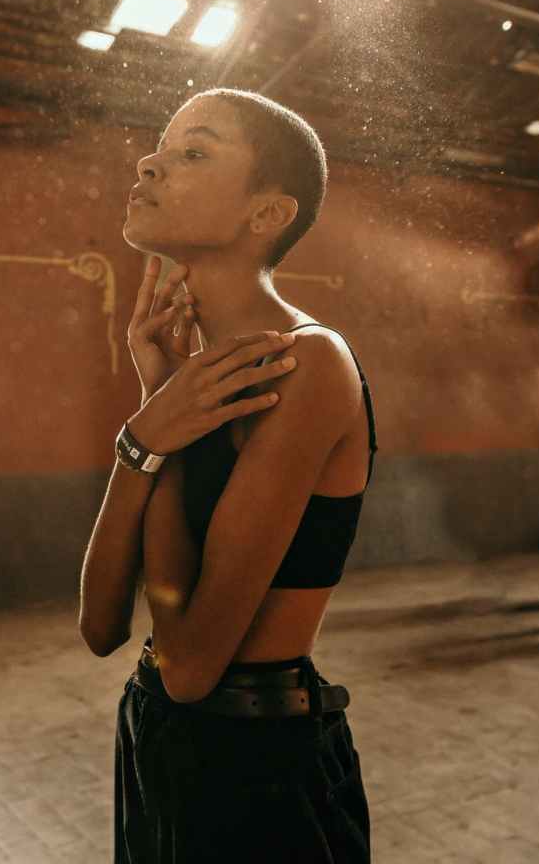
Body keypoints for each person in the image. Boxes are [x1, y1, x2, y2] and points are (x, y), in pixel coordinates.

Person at [79, 88, 377, 862]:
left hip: (259, 767)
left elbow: (189, 666)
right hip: (156, 735)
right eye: (161, 145)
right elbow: (101, 628)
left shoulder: (306, 362)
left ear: (266, 213)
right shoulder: (189, 384)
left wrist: (155, 440)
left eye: (194, 152)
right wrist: (150, 417)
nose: (150, 163)